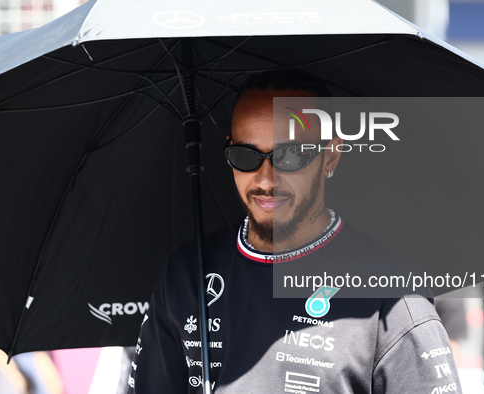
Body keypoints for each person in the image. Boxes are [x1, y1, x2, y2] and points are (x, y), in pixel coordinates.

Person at [127, 70, 462, 393]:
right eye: (246, 156)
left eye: (290, 155)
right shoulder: (186, 274)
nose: (266, 179)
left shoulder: (391, 298)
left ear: (331, 155)